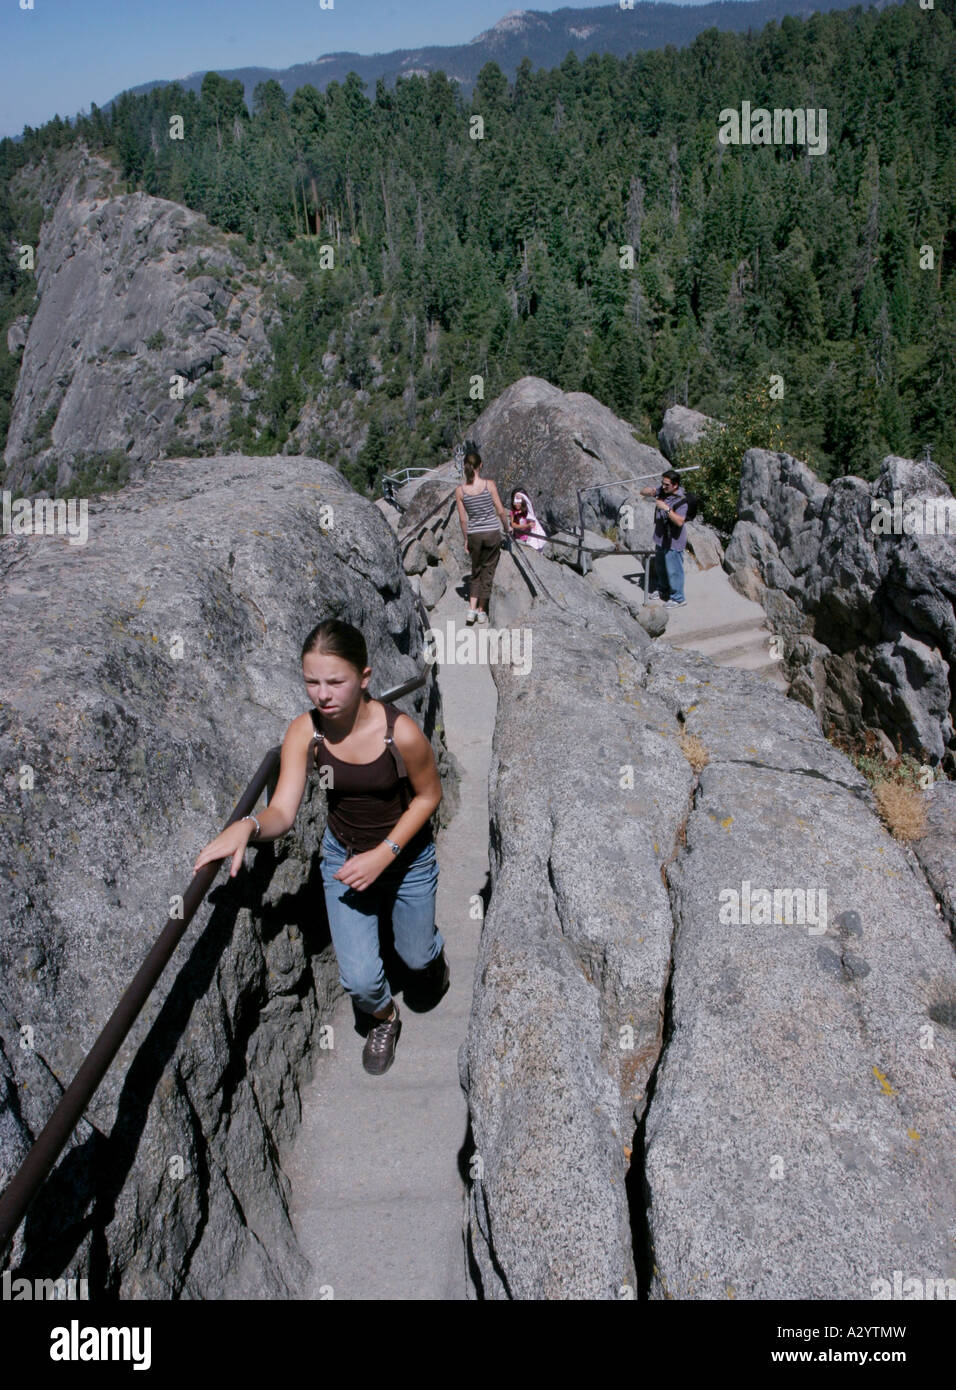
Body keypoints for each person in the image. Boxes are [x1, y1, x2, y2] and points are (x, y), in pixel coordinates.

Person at [192, 619, 448, 1077]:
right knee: (362, 981)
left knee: (415, 956)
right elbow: (283, 812)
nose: (322, 694)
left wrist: (385, 852)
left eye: (336, 682)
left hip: (406, 858)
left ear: (364, 678)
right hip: (343, 858)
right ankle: (384, 1019)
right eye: (312, 681)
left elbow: (430, 796)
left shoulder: (401, 733)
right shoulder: (306, 734)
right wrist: (247, 827)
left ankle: (430, 954)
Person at [455, 445, 512, 625]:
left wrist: (466, 539)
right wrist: (507, 527)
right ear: (481, 465)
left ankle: (470, 609)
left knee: (475, 571)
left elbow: (463, 520)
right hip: (491, 533)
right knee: (488, 571)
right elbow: (501, 510)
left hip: (474, 535)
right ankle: (481, 610)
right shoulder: (489, 485)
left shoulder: (461, 491)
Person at [640, 469, 689, 607]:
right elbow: (642, 492)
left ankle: (678, 598)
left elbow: (680, 521)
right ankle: (663, 590)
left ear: (675, 485)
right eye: (662, 483)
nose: (663, 486)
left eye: (667, 484)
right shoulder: (663, 491)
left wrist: (666, 508)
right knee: (661, 567)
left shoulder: (682, 500)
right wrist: (649, 491)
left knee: (674, 571)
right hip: (661, 538)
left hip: (674, 540)